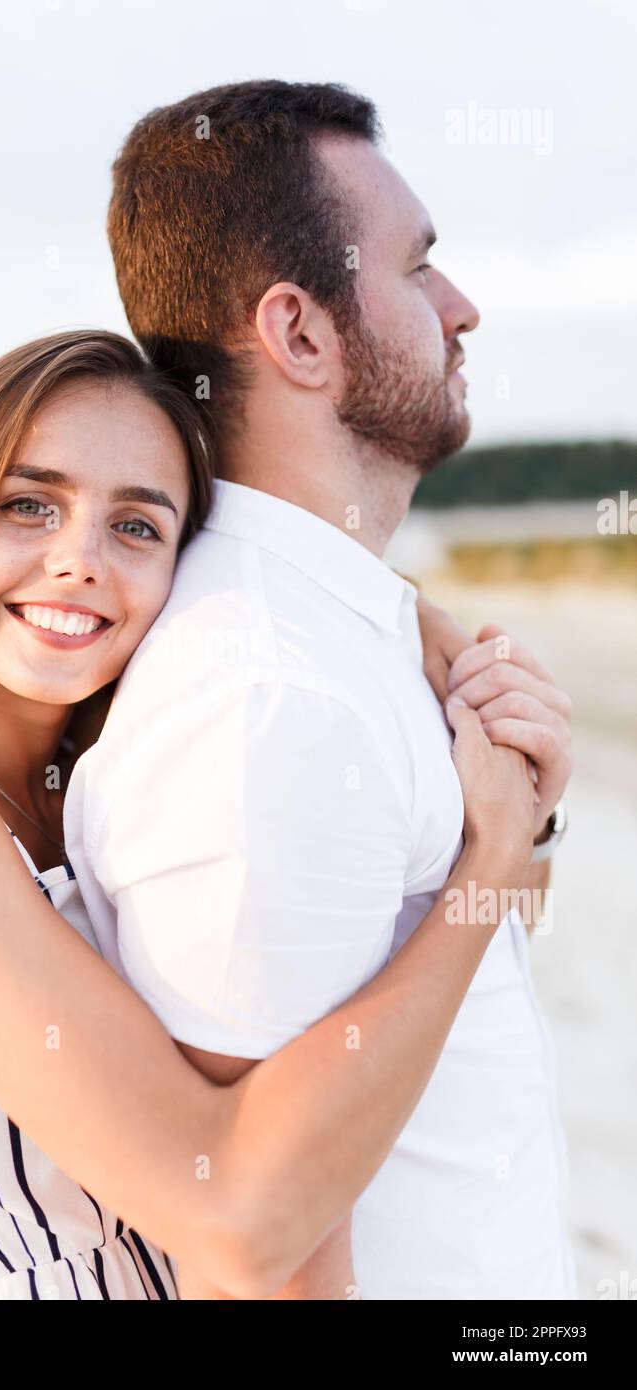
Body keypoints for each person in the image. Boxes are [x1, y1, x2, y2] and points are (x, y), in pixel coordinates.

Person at [0, 329, 539, 1301]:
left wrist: (425, 643)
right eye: (27, 505)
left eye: (136, 526)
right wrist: (490, 858)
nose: (78, 561)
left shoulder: (90, 783)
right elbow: (237, 1225)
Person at [61, 79, 578, 1299]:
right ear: (298, 333)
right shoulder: (266, 696)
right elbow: (261, 1252)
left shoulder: (364, 636)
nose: (463, 309)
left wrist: (522, 827)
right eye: (420, 269)